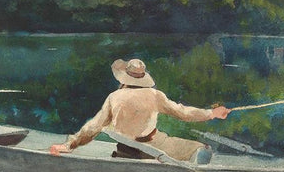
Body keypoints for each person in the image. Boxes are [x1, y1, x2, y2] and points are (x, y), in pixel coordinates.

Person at [49, 58, 230, 164]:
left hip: (125, 149)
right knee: (202, 149)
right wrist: (212, 113)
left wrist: (69, 145)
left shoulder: (114, 97)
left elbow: (94, 126)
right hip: (154, 145)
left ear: (124, 77)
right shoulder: (154, 95)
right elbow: (183, 113)